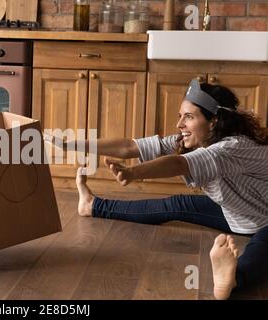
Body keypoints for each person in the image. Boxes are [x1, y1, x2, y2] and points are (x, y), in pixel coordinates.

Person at [47, 79, 268, 300]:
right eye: (180, 116)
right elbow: (129, 147)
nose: (180, 124)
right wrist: (69, 144)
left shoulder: (233, 147)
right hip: (240, 215)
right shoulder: (197, 140)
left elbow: (179, 163)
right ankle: (92, 206)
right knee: (175, 205)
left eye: (189, 117)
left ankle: (232, 279)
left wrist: (134, 173)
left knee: (264, 245)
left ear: (214, 122)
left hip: (263, 220)